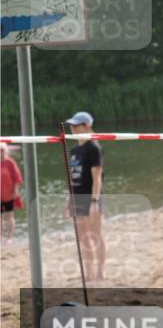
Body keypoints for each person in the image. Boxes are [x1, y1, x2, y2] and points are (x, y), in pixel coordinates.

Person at [65, 111, 106, 281]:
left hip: (91, 196)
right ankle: (89, 272)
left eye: (76, 125)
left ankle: (100, 271)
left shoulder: (93, 148)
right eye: (72, 125)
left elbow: (97, 177)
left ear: (87, 125)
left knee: (95, 234)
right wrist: (69, 200)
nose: (73, 128)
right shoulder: (74, 150)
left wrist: (95, 202)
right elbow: (73, 178)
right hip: (78, 197)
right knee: (83, 237)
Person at [1, 145, 24, 244]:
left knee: (9, 215)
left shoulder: (10, 162)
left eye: (2, 150)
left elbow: (17, 177)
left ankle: (10, 237)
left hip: (9, 194)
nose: (1, 152)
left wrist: (15, 190)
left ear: (6, 151)